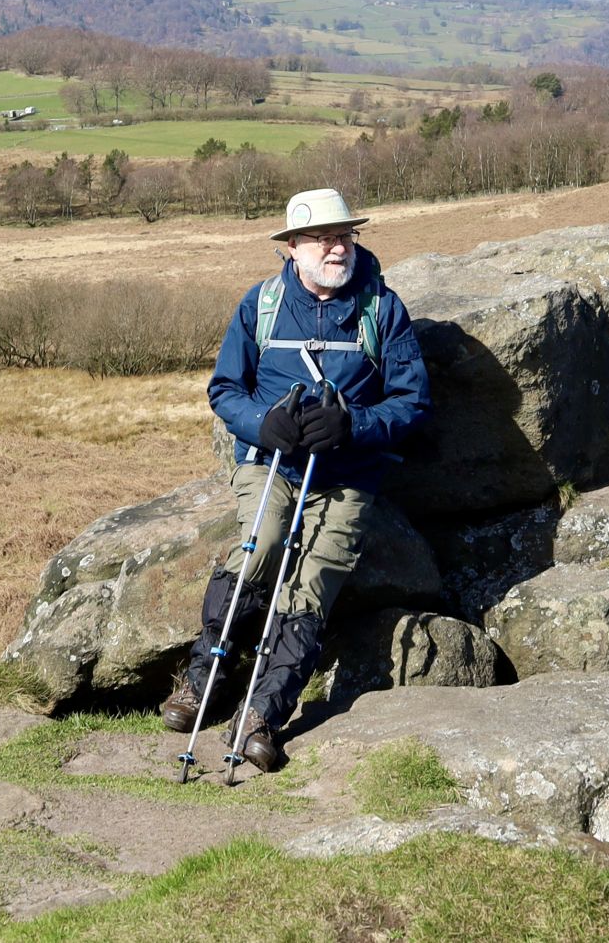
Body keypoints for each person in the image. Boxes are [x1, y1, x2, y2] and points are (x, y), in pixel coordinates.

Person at [161, 188, 431, 771]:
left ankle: (261, 715)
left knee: (314, 581)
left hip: (349, 473)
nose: (337, 247)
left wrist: (353, 426)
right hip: (269, 464)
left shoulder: (383, 310)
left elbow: (412, 404)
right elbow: (224, 391)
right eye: (322, 238)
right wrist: (265, 424)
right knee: (260, 552)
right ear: (292, 249)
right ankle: (201, 681)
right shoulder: (260, 305)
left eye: (345, 236)